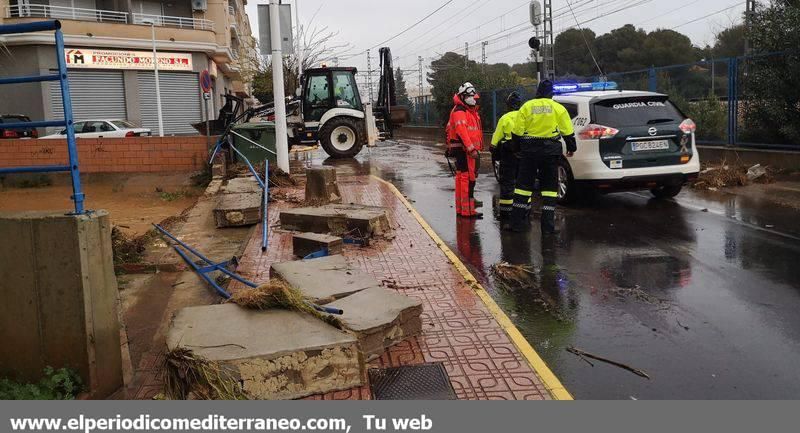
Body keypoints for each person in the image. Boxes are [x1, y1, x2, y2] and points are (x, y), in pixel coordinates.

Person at [507, 80, 576, 234]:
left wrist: (516, 149)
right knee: (550, 189)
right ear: (551, 93)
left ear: (537, 92)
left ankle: (516, 224)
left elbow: (517, 131)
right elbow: (567, 131)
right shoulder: (558, 108)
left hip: (529, 152)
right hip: (550, 152)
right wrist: (571, 148)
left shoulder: (527, 106)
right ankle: (548, 227)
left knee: (523, 188)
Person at [446, 82, 484, 218]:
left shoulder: (465, 110)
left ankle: (463, 210)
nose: (472, 98)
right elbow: (462, 132)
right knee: (467, 179)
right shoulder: (460, 111)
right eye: (468, 96)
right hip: (465, 150)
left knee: (464, 178)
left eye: (472, 96)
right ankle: (467, 211)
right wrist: (471, 149)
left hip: (464, 149)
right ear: (462, 96)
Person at [490, 91, 524, 225]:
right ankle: (524, 211)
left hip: (509, 152)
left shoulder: (504, 118)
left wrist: (492, 148)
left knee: (507, 183)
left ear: (508, 105)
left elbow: (495, 138)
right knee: (523, 183)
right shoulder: (524, 116)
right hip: (523, 151)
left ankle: (505, 213)